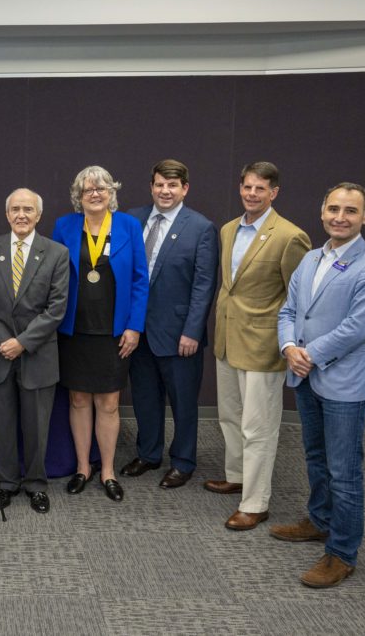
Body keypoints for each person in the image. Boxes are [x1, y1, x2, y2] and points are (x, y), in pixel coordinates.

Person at [272, 183, 365, 588]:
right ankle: (320, 521)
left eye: (351, 210)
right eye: (334, 208)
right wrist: (289, 346)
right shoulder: (310, 258)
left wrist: (308, 354)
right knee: (315, 456)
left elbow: (358, 327)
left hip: (343, 381)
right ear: (322, 211)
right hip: (305, 373)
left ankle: (342, 553)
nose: (340, 217)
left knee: (344, 472)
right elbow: (289, 310)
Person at [208, 161, 311, 531]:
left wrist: (288, 345)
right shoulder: (228, 229)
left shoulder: (289, 236)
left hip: (264, 345)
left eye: (260, 189)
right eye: (247, 187)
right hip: (226, 340)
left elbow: (299, 300)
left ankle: (255, 503)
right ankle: (236, 477)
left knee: (259, 428)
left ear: (274, 193)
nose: (252, 194)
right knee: (230, 418)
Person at [52, 166, 149, 502]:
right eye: (87, 189)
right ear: (78, 196)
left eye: (101, 188)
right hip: (74, 329)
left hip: (114, 330)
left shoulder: (128, 226)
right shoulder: (64, 226)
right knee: (78, 399)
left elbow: (140, 280)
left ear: (112, 193)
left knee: (108, 403)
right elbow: (54, 276)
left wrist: (135, 326)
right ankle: (83, 467)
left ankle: (107, 469)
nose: (94, 194)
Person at [122, 160, 219, 489]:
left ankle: (183, 461)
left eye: (173, 185)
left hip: (179, 334)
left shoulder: (201, 227)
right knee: (145, 398)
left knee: (183, 400)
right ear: (151, 186)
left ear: (185, 189)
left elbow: (204, 286)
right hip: (137, 331)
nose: (165, 191)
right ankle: (148, 454)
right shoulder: (131, 220)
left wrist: (192, 331)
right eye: (160, 184)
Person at [0, 189, 70, 514]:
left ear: (38, 215)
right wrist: (3, 341)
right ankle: (5, 484)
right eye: (16, 209)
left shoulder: (57, 253)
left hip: (38, 355)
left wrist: (22, 342)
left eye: (28, 210)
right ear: (7, 215)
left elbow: (56, 308)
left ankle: (36, 485)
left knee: (37, 427)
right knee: (3, 425)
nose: (21, 215)